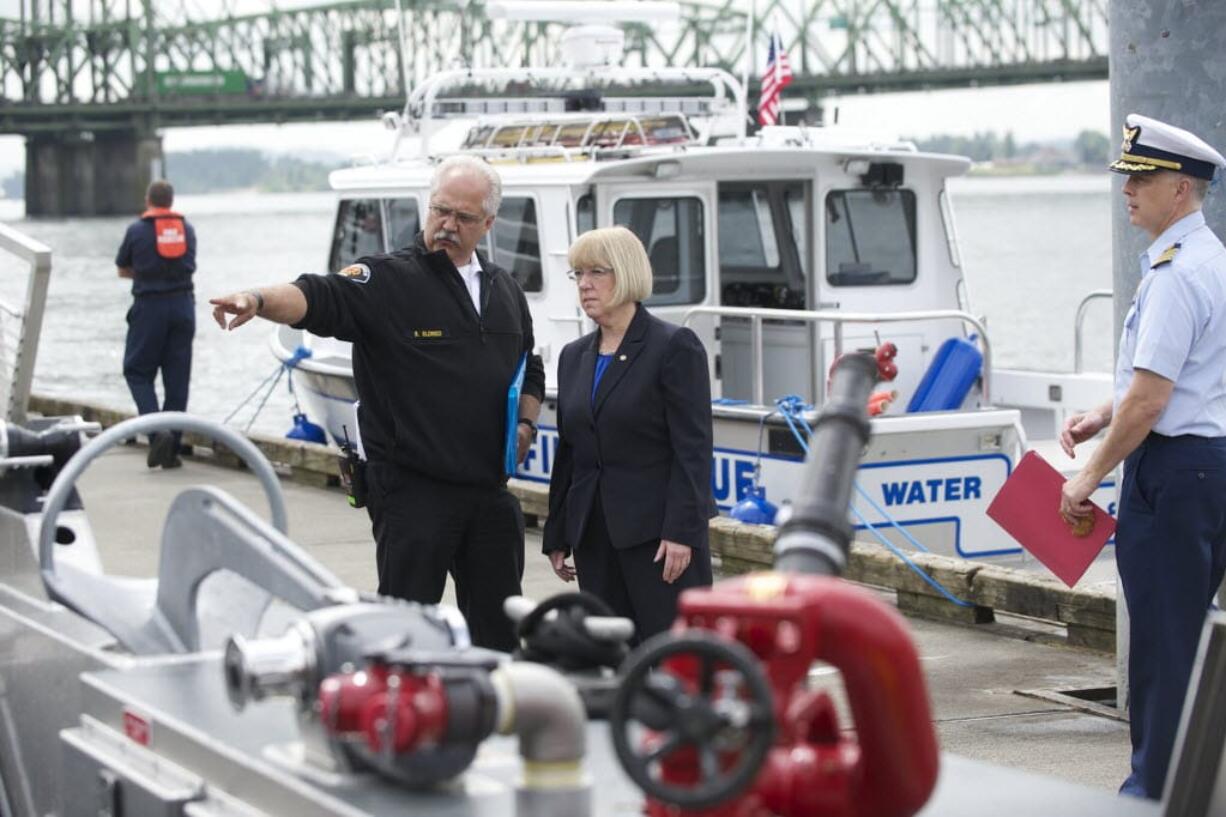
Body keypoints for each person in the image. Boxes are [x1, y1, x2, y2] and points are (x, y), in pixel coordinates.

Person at [209, 156, 544, 651]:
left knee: (499, 636)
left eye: (463, 218)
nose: (447, 225)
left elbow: (528, 367)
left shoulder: (505, 290)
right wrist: (257, 300)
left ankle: (486, 719)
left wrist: (527, 426)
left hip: (488, 494)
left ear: (488, 224)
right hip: (413, 495)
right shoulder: (386, 280)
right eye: (440, 211)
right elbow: (316, 296)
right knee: (404, 636)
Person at [1060, 113, 1226, 800]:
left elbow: (1153, 401)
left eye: (1143, 177)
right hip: (1209, 464)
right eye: (1128, 176)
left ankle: (1154, 794)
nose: (1128, 189)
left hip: (1173, 472)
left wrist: (1088, 475)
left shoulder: (1175, 275)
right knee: (1190, 640)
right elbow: (1191, 375)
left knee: (1164, 644)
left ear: (1180, 188)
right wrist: (1105, 410)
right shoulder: (1211, 260)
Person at [542, 226, 715, 643]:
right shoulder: (573, 356)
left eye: (596, 272)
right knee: (611, 654)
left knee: (671, 654)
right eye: (577, 274)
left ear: (627, 274)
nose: (584, 284)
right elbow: (571, 450)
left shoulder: (674, 346)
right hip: (595, 537)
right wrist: (559, 532)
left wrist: (682, 532)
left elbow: (692, 449)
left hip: (657, 537)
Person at [116, 179, 197, 469]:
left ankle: (156, 432)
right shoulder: (186, 230)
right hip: (183, 307)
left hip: (149, 307)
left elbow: (122, 268)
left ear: (149, 200)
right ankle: (170, 449)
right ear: (171, 201)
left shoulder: (137, 230)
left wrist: (144, 275)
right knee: (177, 379)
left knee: (137, 371)